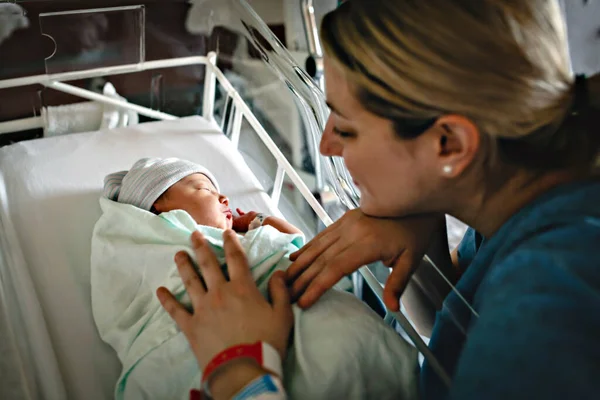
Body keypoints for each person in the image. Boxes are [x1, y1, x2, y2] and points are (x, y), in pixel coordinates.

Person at [156, 0, 600, 399]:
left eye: (346, 129)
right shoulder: (527, 187)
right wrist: (424, 238)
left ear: (448, 144)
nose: (327, 143)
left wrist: (240, 373)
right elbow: (463, 329)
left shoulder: (546, 310)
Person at [94, 157, 418, 400]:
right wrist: (264, 233)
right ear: (158, 205)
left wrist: (262, 223)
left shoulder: (237, 241)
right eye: (205, 189)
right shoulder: (158, 246)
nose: (225, 200)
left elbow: (296, 251)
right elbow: (290, 251)